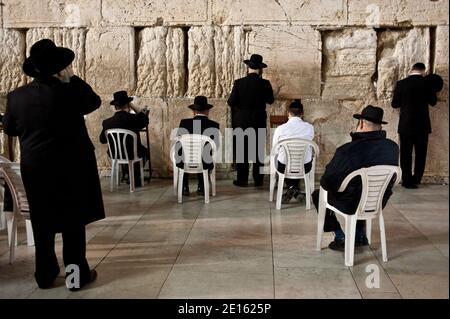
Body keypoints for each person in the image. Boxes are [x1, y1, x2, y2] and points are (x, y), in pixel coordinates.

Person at [2, 39, 105, 290]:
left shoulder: (16, 96)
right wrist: (72, 78)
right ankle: (74, 277)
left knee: (42, 222)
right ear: (60, 68)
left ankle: (45, 276)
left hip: (36, 169)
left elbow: (12, 129)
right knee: (73, 223)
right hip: (72, 167)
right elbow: (94, 101)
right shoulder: (70, 92)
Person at [312, 105, 399, 251]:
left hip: (351, 204)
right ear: (379, 126)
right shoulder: (392, 147)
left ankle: (340, 236)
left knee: (318, 194)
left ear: (362, 123)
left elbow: (327, 182)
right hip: (378, 202)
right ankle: (360, 235)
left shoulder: (348, 150)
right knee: (360, 189)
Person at [227, 54, 274, 187]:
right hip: (258, 120)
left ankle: (242, 179)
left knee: (242, 150)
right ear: (260, 69)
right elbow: (271, 100)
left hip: (242, 121)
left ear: (248, 67)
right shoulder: (265, 83)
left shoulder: (239, 83)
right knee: (258, 151)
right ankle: (258, 180)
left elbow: (231, 102)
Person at [392, 62, 438, 189]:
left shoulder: (401, 83)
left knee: (406, 153)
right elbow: (433, 102)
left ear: (411, 69)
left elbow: (394, 104)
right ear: (423, 71)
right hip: (422, 126)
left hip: (406, 125)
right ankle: (417, 179)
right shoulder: (427, 83)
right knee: (420, 154)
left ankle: (406, 181)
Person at [99, 91, 149, 187]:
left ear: (115, 106)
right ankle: (135, 176)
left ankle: (126, 173)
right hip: (131, 153)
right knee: (144, 151)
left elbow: (102, 140)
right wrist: (134, 107)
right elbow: (145, 120)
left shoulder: (107, 122)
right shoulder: (133, 118)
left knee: (132, 151)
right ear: (127, 104)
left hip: (114, 154)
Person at [272, 99, 314, 203]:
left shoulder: (280, 129)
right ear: (302, 114)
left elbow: (275, 149)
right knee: (302, 159)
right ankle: (295, 190)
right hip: (304, 167)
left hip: (284, 167)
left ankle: (292, 188)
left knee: (282, 159)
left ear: (288, 113)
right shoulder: (310, 128)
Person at [176, 96, 220, 196]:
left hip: (185, 161)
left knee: (184, 153)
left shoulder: (184, 123)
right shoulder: (214, 125)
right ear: (207, 111)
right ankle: (202, 186)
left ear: (194, 112)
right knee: (205, 154)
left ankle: (184, 187)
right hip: (205, 162)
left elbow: (178, 143)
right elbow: (215, 146)